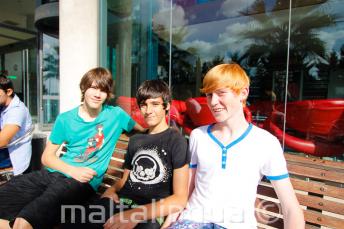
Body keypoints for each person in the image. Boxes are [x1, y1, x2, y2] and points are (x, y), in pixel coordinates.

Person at [0, 67, 145, 229]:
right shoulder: (66, 119)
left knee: (24, 222)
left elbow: (145, 130)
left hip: (81, 183)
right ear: (84, 88)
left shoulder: (116, 115)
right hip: (54, 175)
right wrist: (71, 170)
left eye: (103, 90)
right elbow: (47, 157)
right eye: (94, 88)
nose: (98, 94)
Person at [168, 63, 304, 228]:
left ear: (243, 93)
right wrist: (169, 223)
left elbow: (290, 207)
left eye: (221, 93)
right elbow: (186, 191)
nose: (213, 102)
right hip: (193, 221)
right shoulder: (199, 136)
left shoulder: (265, 143)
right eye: (210, 95)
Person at [61, 79, 190, 229]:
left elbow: (180, 198)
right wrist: (111, 190)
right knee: (73, 223)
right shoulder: (136, 140)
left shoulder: (176, 140)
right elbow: (125, 179)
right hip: (120, 203)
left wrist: (134, 214)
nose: (148, 111)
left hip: (149, 213)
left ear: (166, 106)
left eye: (155, 104)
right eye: (143, 105)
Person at [0, 75, 32, 175]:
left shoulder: (17, 110)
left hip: (10, 164)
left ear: (8, 92)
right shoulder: (2, 106)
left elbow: (2, 141)